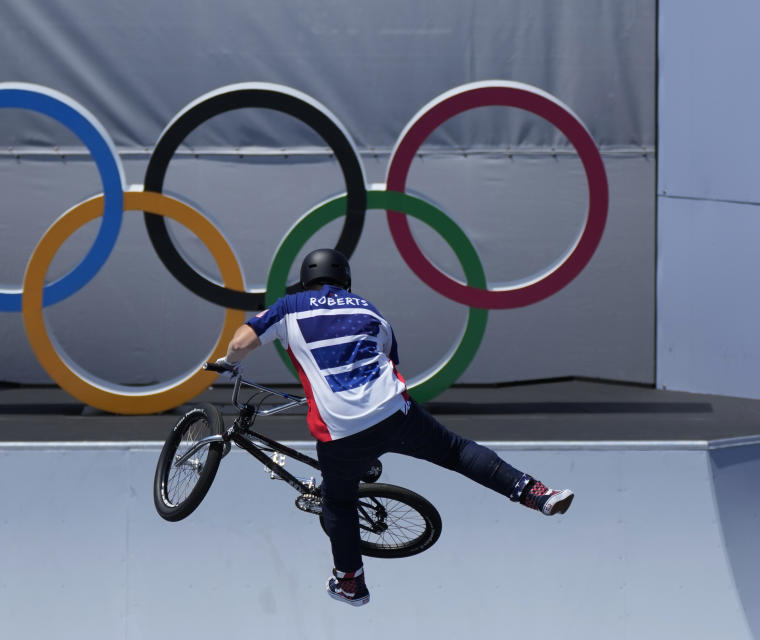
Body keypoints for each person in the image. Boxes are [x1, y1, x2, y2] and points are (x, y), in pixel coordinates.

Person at [215, 248, 573, 607]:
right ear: (346, 280)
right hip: (392, 409)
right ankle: (535, 493)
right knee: (456, 451)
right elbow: (387, 359)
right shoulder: (369, 309)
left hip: (340, 429)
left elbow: (239, 343)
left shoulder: (290, 306)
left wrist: (229, 363)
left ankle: (350, 582)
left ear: (307, 279)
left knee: (337, 502)